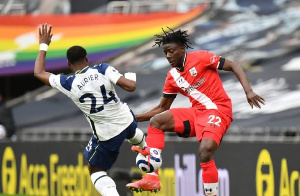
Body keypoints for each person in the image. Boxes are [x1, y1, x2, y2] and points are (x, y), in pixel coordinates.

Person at [126, 27, 265, 195]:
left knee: (205, 150)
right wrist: (132, 118)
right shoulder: (172, 77)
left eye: (171, 51)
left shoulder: (202, 58)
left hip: (218, 110)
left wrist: (248, 91)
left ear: (182, 49)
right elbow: (162, 108)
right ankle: (152, 178)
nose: (168, 56)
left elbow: (234, 65)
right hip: (196, 113)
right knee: (157, 121)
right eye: (165, 53)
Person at [34, 23, 146, 196]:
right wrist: (131, 76)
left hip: (108, 133)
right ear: (86, 58)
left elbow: (39, 72)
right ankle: (147, 153)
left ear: (68, 64)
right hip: (127, 120)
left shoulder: (68, 83)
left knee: (96, 170)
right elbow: (130, 87)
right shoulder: (103, 68)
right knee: (132, 132)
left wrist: (43, 45)